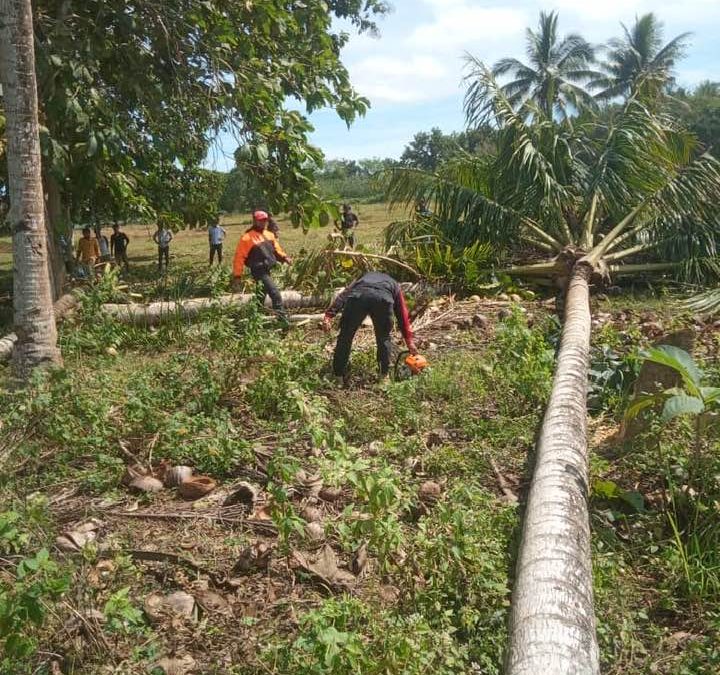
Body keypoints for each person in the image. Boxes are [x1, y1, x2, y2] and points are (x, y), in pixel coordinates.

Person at [322, 271, 417, 384]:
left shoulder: (362, 278)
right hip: (383, 299)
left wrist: (329, 315)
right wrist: (409, 341)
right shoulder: (394, 284)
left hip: (359, 296)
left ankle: (338, 377)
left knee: (345, 337)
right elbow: (402, 313)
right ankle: (383, 377)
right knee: (383, 338)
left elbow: (345, 294)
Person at [233, 210, 292, 318]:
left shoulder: (269, 235)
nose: (263, 223)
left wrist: (285, 257)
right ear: (254, 221)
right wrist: (237, 276)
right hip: (258, 270)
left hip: (267, 269)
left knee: (261, 295)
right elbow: (239, 258)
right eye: (260, 221)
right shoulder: (246, 238)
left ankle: (254, 317)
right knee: (275, 294)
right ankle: (282, 320)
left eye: (265, 220)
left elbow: (276, 250)